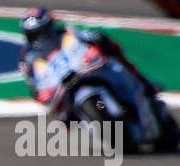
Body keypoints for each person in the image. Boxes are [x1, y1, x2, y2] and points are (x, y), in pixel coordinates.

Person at [17, 7, 154, 105]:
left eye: (44, 32)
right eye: (34, 35)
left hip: (87, 69)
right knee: (62, 118)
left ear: (50, 27)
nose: (41, 39)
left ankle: (140, 80)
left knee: (115, 61)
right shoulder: (28, 58)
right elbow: (34, 87)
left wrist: (96, 48)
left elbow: (97, 37)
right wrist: (42, 94)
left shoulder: (68, 33)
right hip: (61, 88)